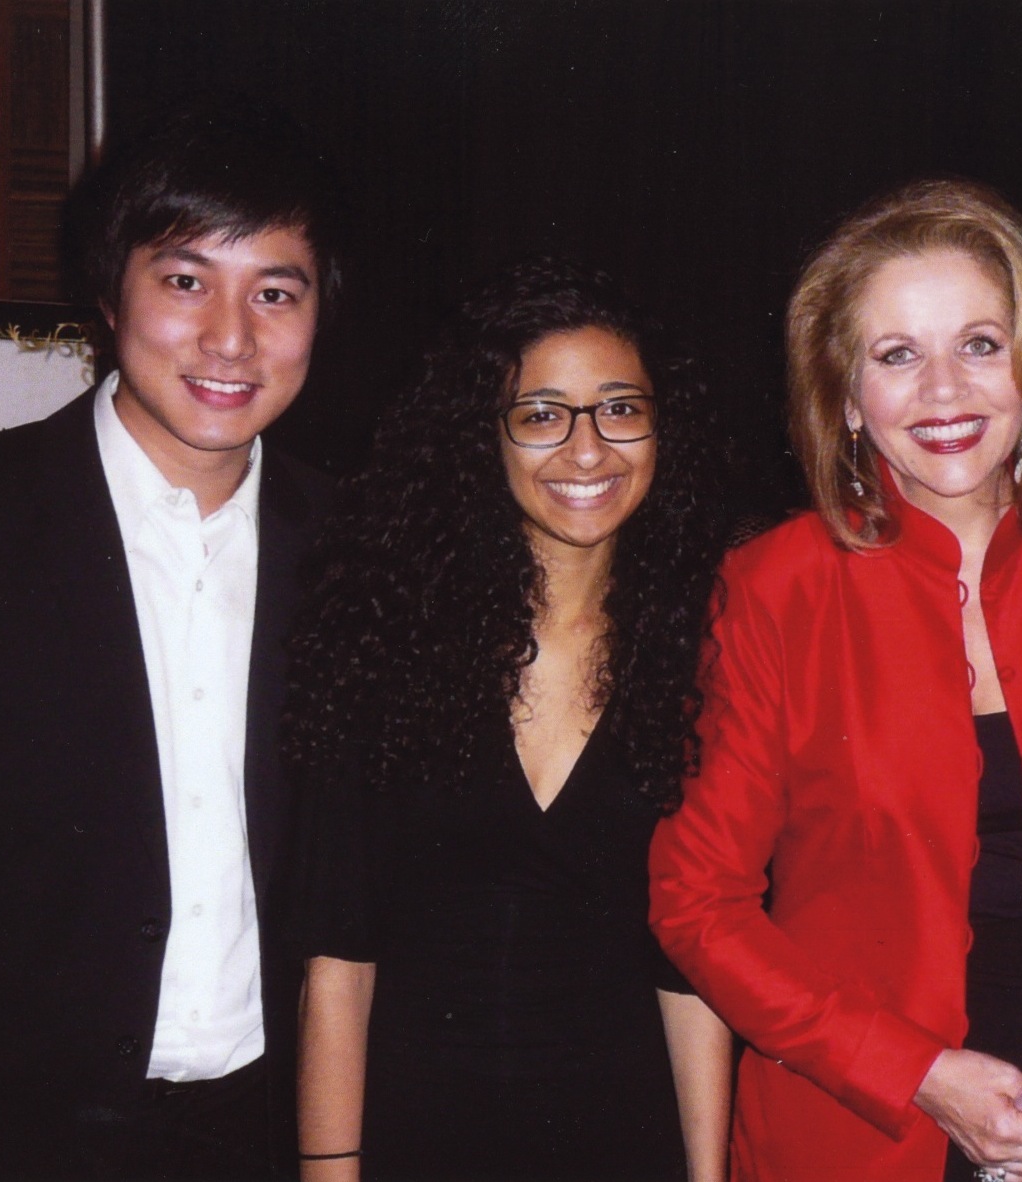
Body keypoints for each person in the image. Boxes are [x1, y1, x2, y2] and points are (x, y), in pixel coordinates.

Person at [649, 178, 1022, 1182]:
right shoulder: (771, 587)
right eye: (896, 355)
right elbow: (697, 901)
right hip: (857, 1130)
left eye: (979, 345)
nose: (944, 391)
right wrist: (915, 1072)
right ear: (845, 397)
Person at [0, 100, 343, 1179]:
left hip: (265, 1132)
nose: (231, 339)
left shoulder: (359, 553)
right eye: (186, 281)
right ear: (109, 294)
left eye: (275, 293)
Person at [288, 258, 734, 1182]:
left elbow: (689, 974)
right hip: (418, 1143)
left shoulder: (705, 652)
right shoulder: (387, 640)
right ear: (481, 435)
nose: (588, 450)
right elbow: (338, 965)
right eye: (540, 415)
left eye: (620, 408)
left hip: (624, 1144)